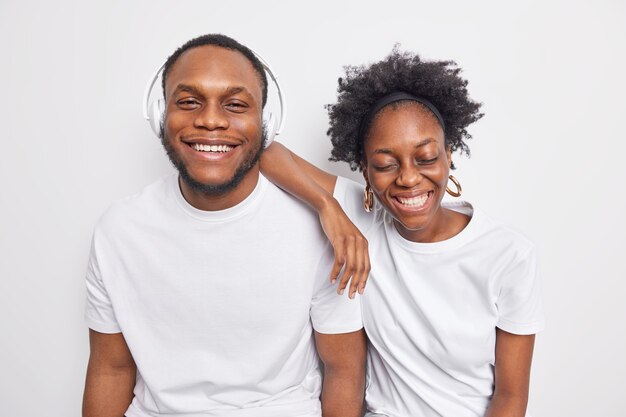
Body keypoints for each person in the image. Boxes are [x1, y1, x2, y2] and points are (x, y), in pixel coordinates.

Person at [82, 34, 367, 417]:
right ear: (161, 114)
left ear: (265, 122)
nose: (211, 120)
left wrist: (324, 204)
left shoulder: (321, 231)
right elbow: (111, 368)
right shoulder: (118, 231)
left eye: (234, 104)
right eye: (188, 102)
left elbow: (344, 371)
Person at [261, 48, 545, 417]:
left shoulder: (509, 254)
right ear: (364, 171)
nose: (408, 178)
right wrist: (327, 206)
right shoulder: (361, 218)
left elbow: (510, 398)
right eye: (385, 164)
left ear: (449, 155)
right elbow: (264, 152)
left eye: (426, 158)